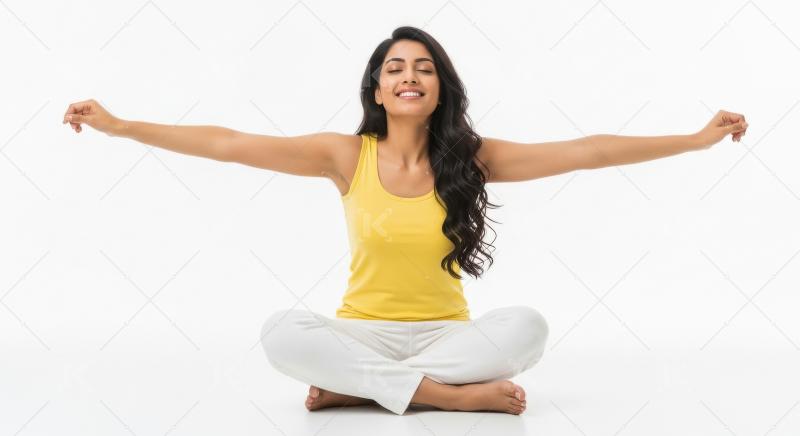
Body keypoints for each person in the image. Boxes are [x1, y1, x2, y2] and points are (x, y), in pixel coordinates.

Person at [62, 26, 747, 416]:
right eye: (394, 68)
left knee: (528, 327)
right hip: (359, 331)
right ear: (378, 89)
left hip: (447, 336)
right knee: (279, 332)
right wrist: (122, 126)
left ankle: (357, 387)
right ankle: (443, 399)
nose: (408, 76)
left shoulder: (474, 159)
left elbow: (588, 150)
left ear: (440, 87)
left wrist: (694, 140)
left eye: (423, 68)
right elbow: (229, 143)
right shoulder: (345, 156)